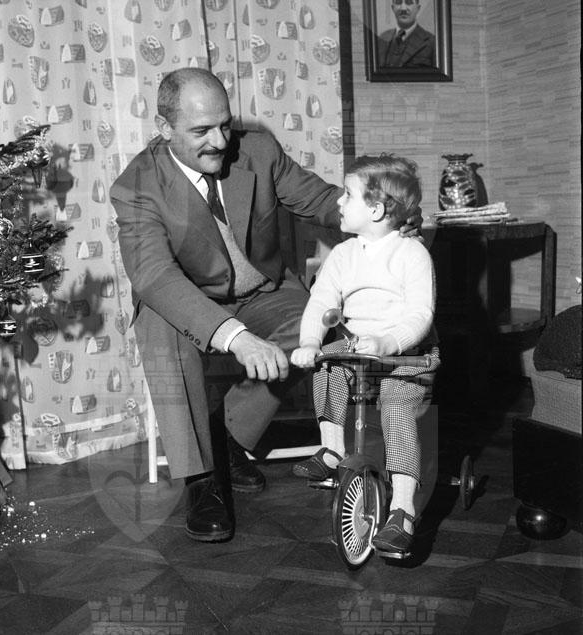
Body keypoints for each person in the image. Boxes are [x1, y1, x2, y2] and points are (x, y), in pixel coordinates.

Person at [110, 68, 423, 543]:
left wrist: (387, 215)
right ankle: (201, 480)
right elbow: (154, 275)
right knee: (157, 321)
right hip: (190, 300)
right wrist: (236, 338)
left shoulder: (258, 150)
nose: (220, 141)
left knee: (319, 328)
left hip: (264, 292)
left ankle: (228, 439)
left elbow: (321, 200)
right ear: (163, 127)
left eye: (225, 125)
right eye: (201, 131)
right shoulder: (135, 185)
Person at [291, 154, 440, 557]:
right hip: (357, 345)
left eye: (347, 194)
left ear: (375, 210)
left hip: (407, 355)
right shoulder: (343, 255)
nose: (338, 202)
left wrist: (390, 341)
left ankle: (403, 509)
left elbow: (420, 314)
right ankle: (332, 449)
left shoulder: (411, 254)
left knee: (397, 408)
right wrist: (310, 342)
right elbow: (321, 301)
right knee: (326, 364)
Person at [378, 0, 435, 69]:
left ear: (418, 8)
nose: (403, 8)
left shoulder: (432, 42)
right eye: (398, 3)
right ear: (393, 8)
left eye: (409, 3)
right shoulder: (382, 39)